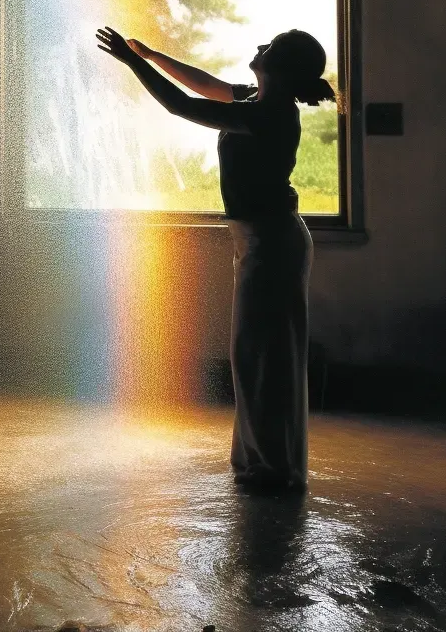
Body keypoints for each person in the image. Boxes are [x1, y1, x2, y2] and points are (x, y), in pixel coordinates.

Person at [95, 26, 339, 492]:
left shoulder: (270, 114)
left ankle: (272, 468)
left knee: (262, 357)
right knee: (257, 355)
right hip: (261, 241)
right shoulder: (255, 101)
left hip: (273, 244)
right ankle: (263, 461)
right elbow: (201, 85)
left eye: (268, 48)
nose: (257, 48)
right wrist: (151, 53)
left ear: (281, 70)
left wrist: (133, 65)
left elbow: (183, 106)